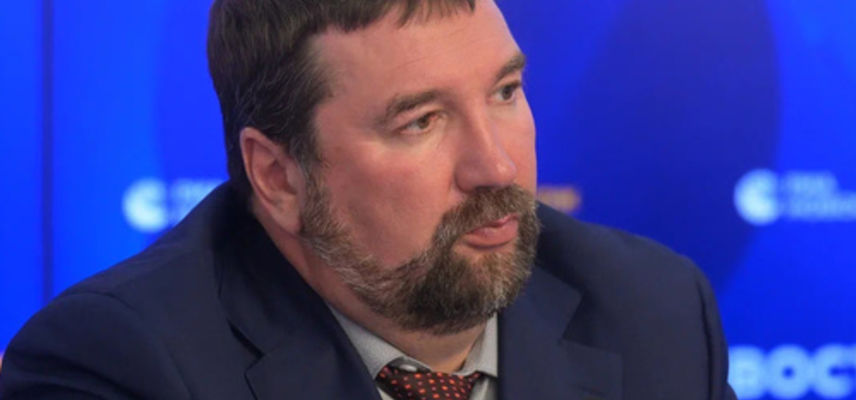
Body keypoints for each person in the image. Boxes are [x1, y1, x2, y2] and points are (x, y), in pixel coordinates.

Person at [0, 0, 737, 399]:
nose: (498, 165)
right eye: (421, 121)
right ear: (279, 177)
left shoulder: (654, 312)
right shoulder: (122, 364)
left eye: (506, 92)